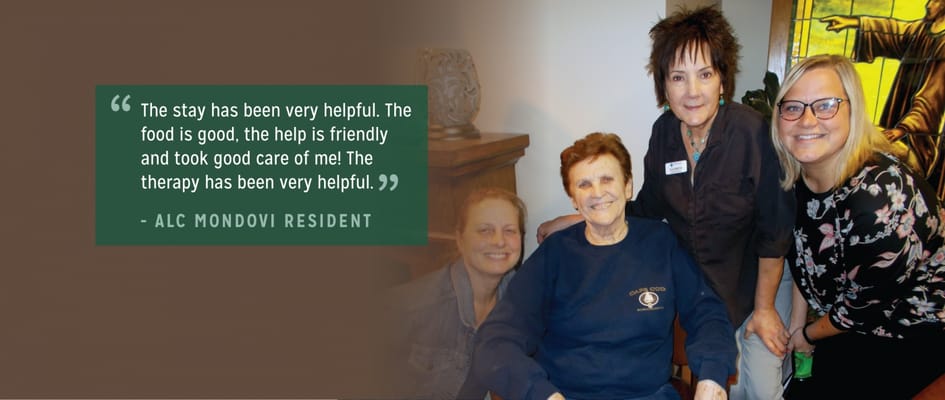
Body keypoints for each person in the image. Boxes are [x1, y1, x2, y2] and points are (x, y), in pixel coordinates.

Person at [537, 7, 795, 399]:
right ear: (664, 86)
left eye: (704, 74)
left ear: (722, 79)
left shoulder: (752, 133)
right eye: (678, 77)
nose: (692, 91)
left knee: (756, 389)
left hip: (755, 284)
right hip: (698, 290)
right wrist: (578, 219)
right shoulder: (664, 134)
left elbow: (774, 232)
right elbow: (646, 208)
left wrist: (764, 309)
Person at [472, 132, 736, 400]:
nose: (597, 193)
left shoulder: (662, 243)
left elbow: (707, 314)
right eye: (584, 184)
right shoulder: (553, 255)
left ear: (628, 187)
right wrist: (541, 393)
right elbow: (495, 341)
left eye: (607, 179)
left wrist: (712, 377)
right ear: (573, 199)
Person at [770, 54, 945, 399]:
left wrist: (805, 336)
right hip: (846, 324)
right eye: (793, 107)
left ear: (853, 111)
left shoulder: (879, 198)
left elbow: (860, 309)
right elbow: (802, 259)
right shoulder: (798, 178)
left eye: (826, 105)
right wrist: (796, 326)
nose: (807, 119)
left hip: (911, 331)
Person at [388, 187, 526, 400]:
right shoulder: (412, 307)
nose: (499, 241)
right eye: (484, 230)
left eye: (509, 230)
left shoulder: (518, 297)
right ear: (460, 239)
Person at [822, 0, 945, 198]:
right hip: (900, 116)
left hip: (917, 134)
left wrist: (903, 128)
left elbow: (931, 98)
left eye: (935, 1)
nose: (928, 5)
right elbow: (894, 31)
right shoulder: (922, 31)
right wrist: (855, 22)